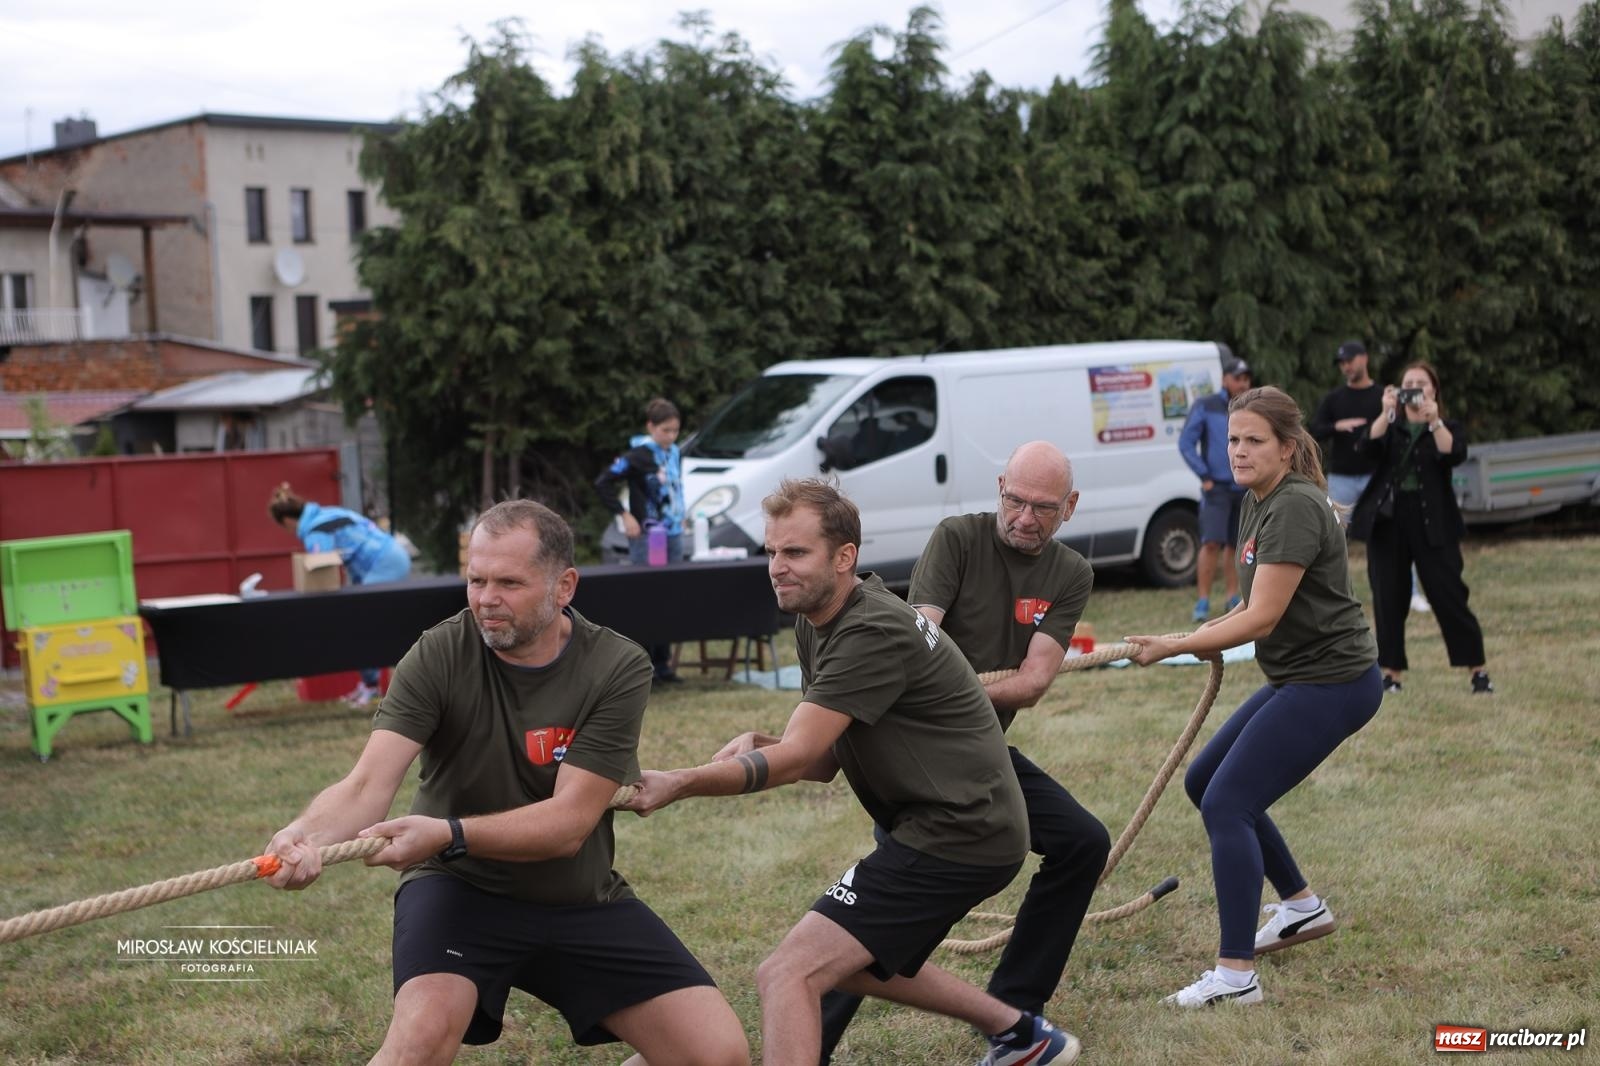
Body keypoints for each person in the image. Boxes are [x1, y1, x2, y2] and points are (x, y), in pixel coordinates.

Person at [261, 500, 749, 1066]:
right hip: (458, 891)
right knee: (418, 1043)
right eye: (476, 579)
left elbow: (568, 824)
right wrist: (304, 836)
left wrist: (446, 831)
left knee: (717, 1056)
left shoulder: (617, 666)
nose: (486, 599)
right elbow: (367, 784)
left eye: (509, 583)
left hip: (575, 896)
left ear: (564, 585)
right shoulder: (441, 650)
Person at [624, 478, 1080, 1066]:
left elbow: (793, 760)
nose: (777, 568)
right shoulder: (818, 618)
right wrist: (764, 743)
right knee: (855, 966)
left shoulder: (869, 629)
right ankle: (1022, 1035)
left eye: (795, 553)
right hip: (943, 823)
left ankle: (1022, 1034)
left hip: (961, 831)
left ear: (845, 558)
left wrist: (680, 781)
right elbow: (819, 760)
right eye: (771, 552)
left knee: (787, 973)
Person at [817, 442, 1108, 1063]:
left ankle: (1015, 1006)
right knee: (893, 913)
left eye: (1043, 508)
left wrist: (951, 693)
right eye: (1015, 501)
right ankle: (810, 1037)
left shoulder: (1069, 573)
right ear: (999, 488)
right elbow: (914, 646)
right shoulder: (958, 538)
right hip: (919, 756)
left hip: (980, 754)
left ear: (1071, 508)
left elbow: (1031, 683)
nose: (1025, 518)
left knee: (1082, 841)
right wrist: (945, 698)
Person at [1125, 386, 1382, 1008]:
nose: (1238, 451)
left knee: (1229, 802)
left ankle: (1236, 976)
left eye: (1253, 441)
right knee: (1205, 782)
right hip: (1302, 677)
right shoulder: (1257, 500)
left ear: (1287, 448)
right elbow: (1250, 599)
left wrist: (1177, 645)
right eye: (1233, 440)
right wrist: (1196, 634)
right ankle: (1301, 908)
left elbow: (1262, 618)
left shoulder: (1293, 505)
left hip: (1335, 682)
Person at [1348, 362, 1493, 695]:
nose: (1413, 388)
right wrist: (1385, 413)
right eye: (1407, 383)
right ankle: (1391, 674)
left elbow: (1454, 453)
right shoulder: (1390, 425)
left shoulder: (1444, 426)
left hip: (1434, 521)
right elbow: (1364, 449)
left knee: (1450, 595)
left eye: (1421, 383)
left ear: (1434, 390)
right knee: (1388, 598)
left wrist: (1434, 420)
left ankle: (1478, 671)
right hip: (1389, 523)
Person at [269, 482, 413, 705]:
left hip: (382, 564)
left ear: (288, 521)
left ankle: (371, 686)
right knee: (369, 624)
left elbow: (321, 567)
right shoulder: (327, 513)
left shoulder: (314, 531)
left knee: (360, 625)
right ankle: (371, 684)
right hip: (392, 555)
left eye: (286, 529)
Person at [595, 397, 686, 683]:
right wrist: (624, 514)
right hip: (648, 536)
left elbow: (672, 488)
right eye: (665, 431)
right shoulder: (638, 456)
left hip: (672, 533)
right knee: (647, 596)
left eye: (675, 431)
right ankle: (640, 665)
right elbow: (603, 482)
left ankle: (664, 664)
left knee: (671, 596)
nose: (671, 437)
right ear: (651, 427)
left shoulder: (675, 453)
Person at [1179, 356, 1253, 622]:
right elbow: (1186, 443)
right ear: (1225, 379)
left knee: (1238, 544)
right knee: (1211, 543)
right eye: (1237, 378)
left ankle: (1233, 597)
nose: (1243, 383)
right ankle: (1202, 601)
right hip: (1217, 487)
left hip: (1245, 488)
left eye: (1246, 379)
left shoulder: (1253, 408)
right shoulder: (1206, 405)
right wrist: (1205, 476)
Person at [1308, 340, 1383, 523]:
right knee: (1336, 529)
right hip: (1341, 478)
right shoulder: (1334, 398)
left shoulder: (1382, 396)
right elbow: (1314, 430)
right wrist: (1336, 426)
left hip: (1376, 474)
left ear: (1364, 358)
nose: (1346, 366)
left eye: (1349, 360)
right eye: (1342, 363)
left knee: (1381, 529)